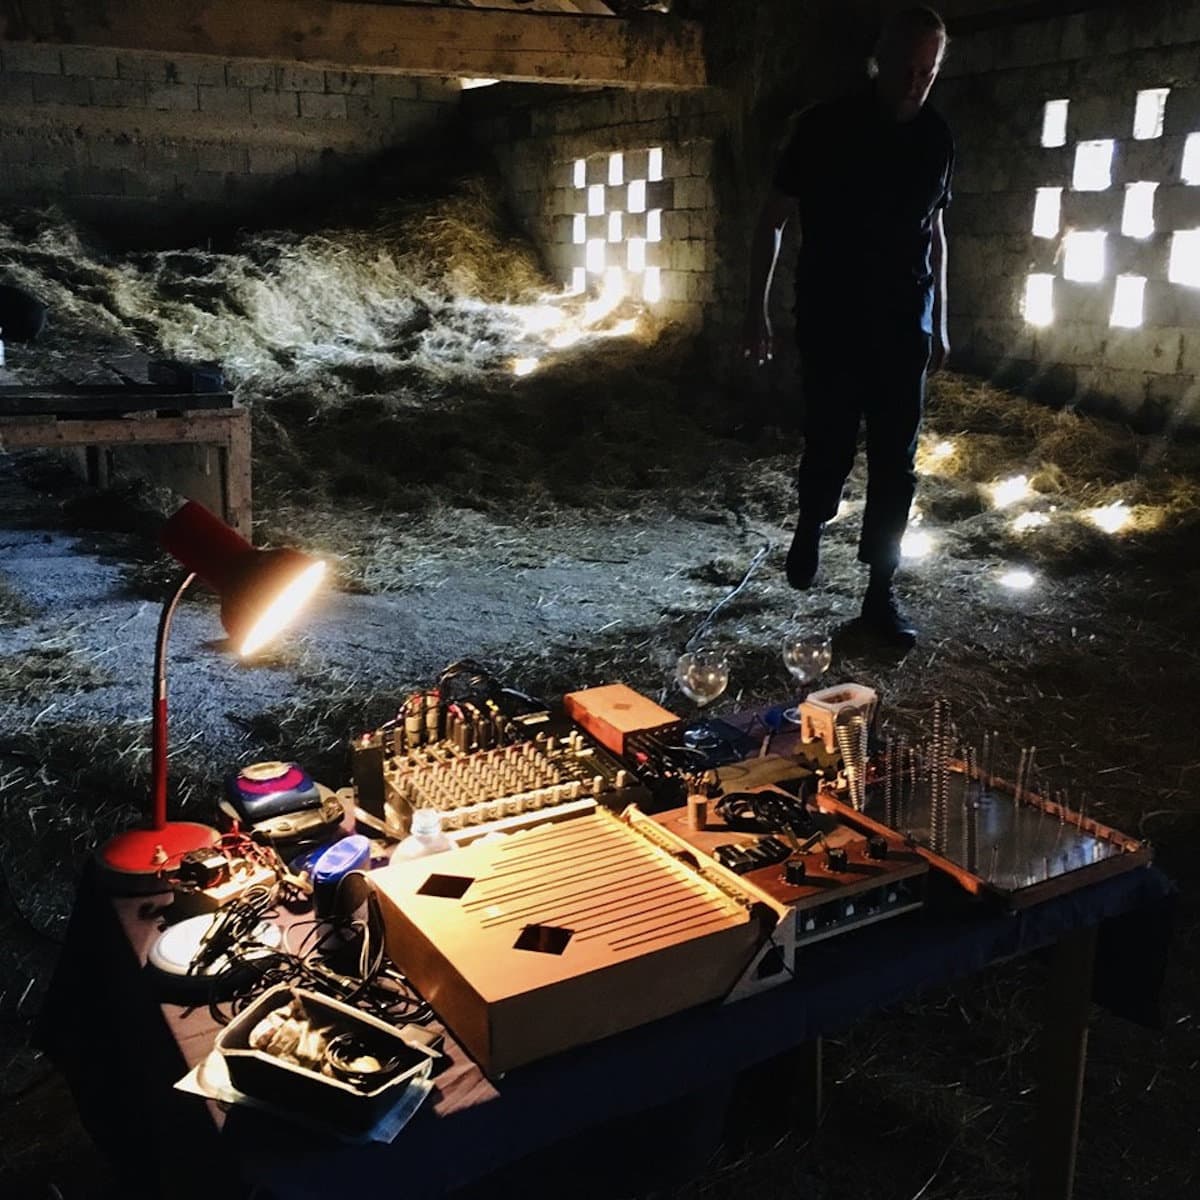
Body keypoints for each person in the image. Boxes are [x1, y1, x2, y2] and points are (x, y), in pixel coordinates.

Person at [744, 6, 953, 649]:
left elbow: (935, 229)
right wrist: (757, 310)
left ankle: (879, 593)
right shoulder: (826, 128)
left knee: (898, 460)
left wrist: (940, 318)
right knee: (830, 434)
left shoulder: (936, 138)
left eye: (929, 71)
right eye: (906, 68)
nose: (916, 82)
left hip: (903, 320)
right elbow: (774, 219)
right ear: (879, 61)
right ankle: (813, 519)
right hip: (834, 313)